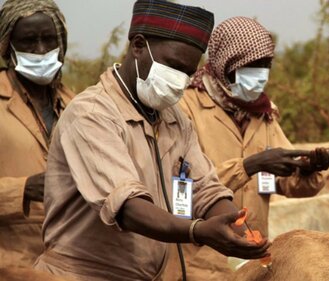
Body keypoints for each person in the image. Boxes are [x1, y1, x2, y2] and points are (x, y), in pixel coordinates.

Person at [33, 2, 269, 281]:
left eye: (188, 73)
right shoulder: (92, 114)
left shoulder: (174, 119)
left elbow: (204, 189)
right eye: (173, 66)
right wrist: (197, 231)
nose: (180, 81)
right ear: (138, 45)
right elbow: (128, 207)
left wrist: (238, 227)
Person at [162, 17, 329, 281]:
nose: (260, 75)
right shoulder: (184, 107)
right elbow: (179, 187)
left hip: (252, 260)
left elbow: (289, 185)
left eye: (265, 66)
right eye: (250, 66)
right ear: (224, 64)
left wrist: (309, 169)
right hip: (197, 263)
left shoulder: (263, 114)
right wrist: (251, 165)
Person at [0, 0, 74, 268]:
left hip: (69, 263)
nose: (41, 50)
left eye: (49, 40)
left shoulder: (75, 105)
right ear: (8, 46)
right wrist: (22, 189)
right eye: (29, 41)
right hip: (11, 262)